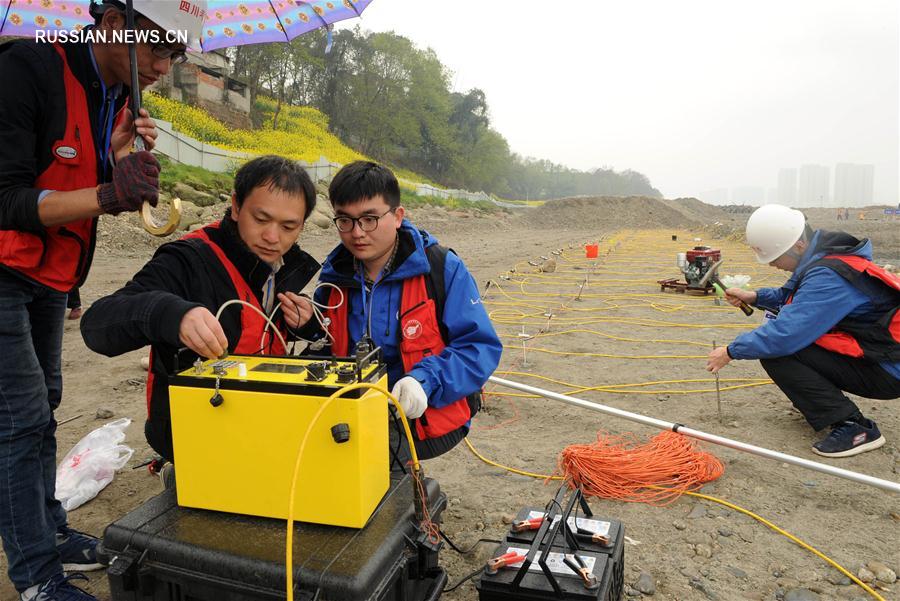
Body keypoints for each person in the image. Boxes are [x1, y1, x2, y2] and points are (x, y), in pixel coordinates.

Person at [0, 1, 205, 598]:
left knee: (48, 405)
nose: (167, 65)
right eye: (160, 47)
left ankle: (49, 529)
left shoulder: (114, 93)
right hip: (4, 269)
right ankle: (37, 576)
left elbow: (84, 181)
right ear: (115, 20)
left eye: (178, 53)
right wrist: (108, 192)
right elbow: (9, 200)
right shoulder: (28, 69)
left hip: (49, 274)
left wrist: (119, 157)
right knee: (19, 423)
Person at [81, 156, 320, 466]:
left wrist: (307, 325)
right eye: (260, 219)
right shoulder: (188, 259)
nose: (273, 237)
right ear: (235, 206)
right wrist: (171, 314)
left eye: (289, 226)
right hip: (194, 431)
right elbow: (96, 325)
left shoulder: (282, 266)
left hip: (260, 420)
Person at [302, 161, 502, 465]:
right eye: (345, 220)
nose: (357, 233)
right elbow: (328, 340)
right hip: (352, 412)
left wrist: (423, 381)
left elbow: (480, 349)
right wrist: (307, 325)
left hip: (419, 411)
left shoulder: (441, 268)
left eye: (370, 218)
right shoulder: (334, 276)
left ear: (397, 216)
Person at [707, 204, 900, 458]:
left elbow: (785, 335)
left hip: (889, 368)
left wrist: (731, 351)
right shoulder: (823, 259)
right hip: (882, 355)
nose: (773, 265)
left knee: (779, 352)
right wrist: (753, 297)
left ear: (798, 245)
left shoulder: (829, 275)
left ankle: (855, 428)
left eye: (775, 258)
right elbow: (792, 297)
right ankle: (823, 405)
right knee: (788, 343)